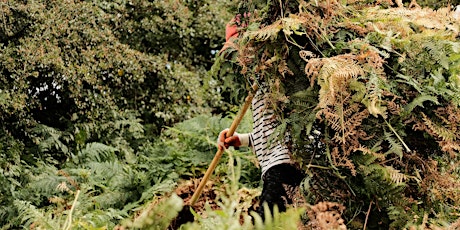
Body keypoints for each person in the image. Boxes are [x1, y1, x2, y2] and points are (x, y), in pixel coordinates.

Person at [217, 13, 305, 220]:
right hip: (275, 167)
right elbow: (272, 131)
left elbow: (290, 127)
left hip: (283, 165)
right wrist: (242, 139)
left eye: (239, 48)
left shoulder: (276, 75)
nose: (239, 58)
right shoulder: (257, 85)